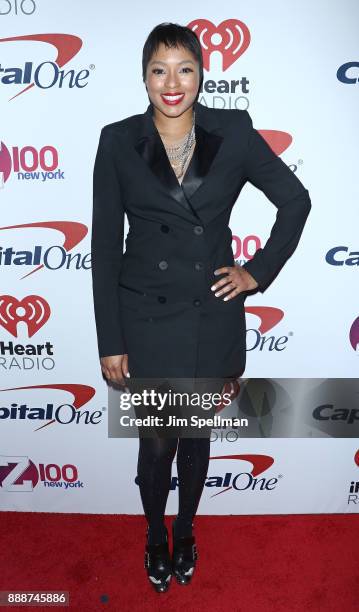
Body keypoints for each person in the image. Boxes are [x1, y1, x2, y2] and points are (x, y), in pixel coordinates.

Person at [91, 22, 311, 593]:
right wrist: (110, 339)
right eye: (159, 69)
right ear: (144, 76)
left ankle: (186, 529)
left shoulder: (232, 131)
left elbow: (295, 200)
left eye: (184, 68)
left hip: (210, 316)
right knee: (155, 444)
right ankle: (155, 534)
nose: (172, 82)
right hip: (145, 315)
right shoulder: (117, 140)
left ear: (201, 74)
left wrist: (256, 272)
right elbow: (102, 246)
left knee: (195, 438)